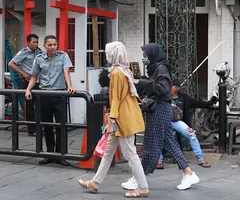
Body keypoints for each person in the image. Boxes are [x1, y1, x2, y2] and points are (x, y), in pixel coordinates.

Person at [121, 43, 199, 191]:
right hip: (161, 109)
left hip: (159, 109)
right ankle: (188, 173)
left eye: (145, 55)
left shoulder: (161, 68)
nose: (144, 58)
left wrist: (141, 82)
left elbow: (163, 88)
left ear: (152, 54)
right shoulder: (157, 68)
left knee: (150, 144)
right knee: (169, 142)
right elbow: (156, 86)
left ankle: (139, 177)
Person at [78, 41, 149, 198]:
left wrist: (112, 120)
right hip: (126, 117)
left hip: (121, 119)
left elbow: (115, 99)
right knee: (110, 151)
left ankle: (143, 187)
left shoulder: (116, 73)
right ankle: (95, 183)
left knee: (130, 154)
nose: (106, 55)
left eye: (108, 52)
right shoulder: (125, 71)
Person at [25, 35, 75, 166]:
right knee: (46, 125)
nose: (53, 47)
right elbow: (34, 76)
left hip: (59, 95)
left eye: (55, 44)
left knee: (61, 126)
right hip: (44, 95)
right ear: (44, 46)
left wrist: (69, 86)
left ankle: (61, 155)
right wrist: (28, 89)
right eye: (50, 45)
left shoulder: (63, 56)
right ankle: (49, 154)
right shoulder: (39, 58)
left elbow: (66, 73)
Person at [157, 79, 212, 169]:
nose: (168, 88)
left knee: (192, 134)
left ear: (177, 88)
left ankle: (200, 159)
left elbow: (197, 103)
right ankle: (159, 160)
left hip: (177, 121)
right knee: (158, 136)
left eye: (171, 86)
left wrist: (210, 104)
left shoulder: (183, 97)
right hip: (164, 121)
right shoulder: (163, 96)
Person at [9, 33, 42, 136]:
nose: (36, 44)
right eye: (33, 42)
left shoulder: (39, 51)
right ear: (28, 42)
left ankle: (41, 128)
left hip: (39, 82)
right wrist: (23, 73)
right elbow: (11, 63)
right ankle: (32, 130)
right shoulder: (23, 52)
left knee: (41, 106)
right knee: (30, 107)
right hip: (27, 82)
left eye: (37, 42)